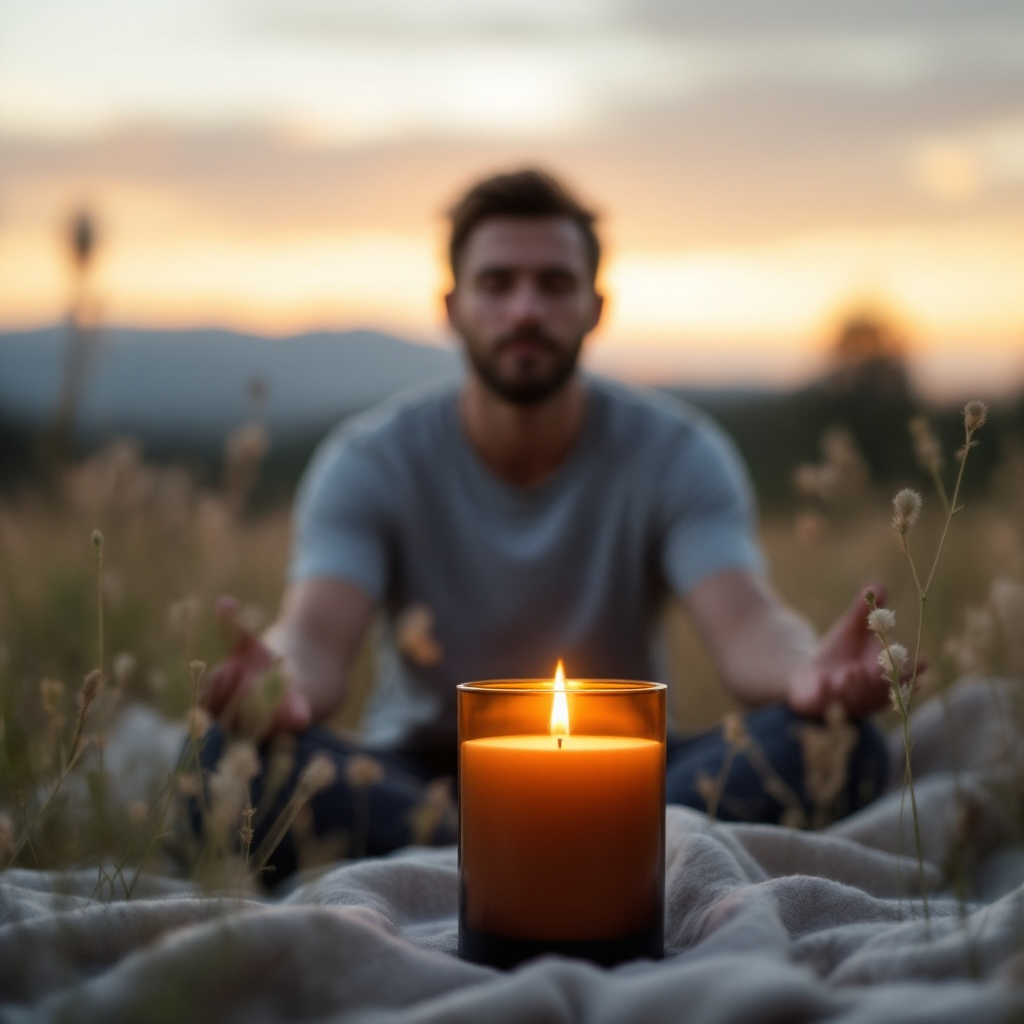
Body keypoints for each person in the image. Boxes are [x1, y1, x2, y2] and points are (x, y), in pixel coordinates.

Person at [191, 169, 894, 885]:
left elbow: (746, 624)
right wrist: (275, 684)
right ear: (452, 307)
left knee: (840, 748)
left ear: (595, 307)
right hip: (421, 779)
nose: (524, 309)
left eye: (554, 285)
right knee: (225, 768)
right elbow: (315, 639)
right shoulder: (372, 460)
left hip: (623, 770)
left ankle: (482, 858)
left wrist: (810, 673)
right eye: (496, 284)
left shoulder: (676, 452)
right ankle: (560, 849)